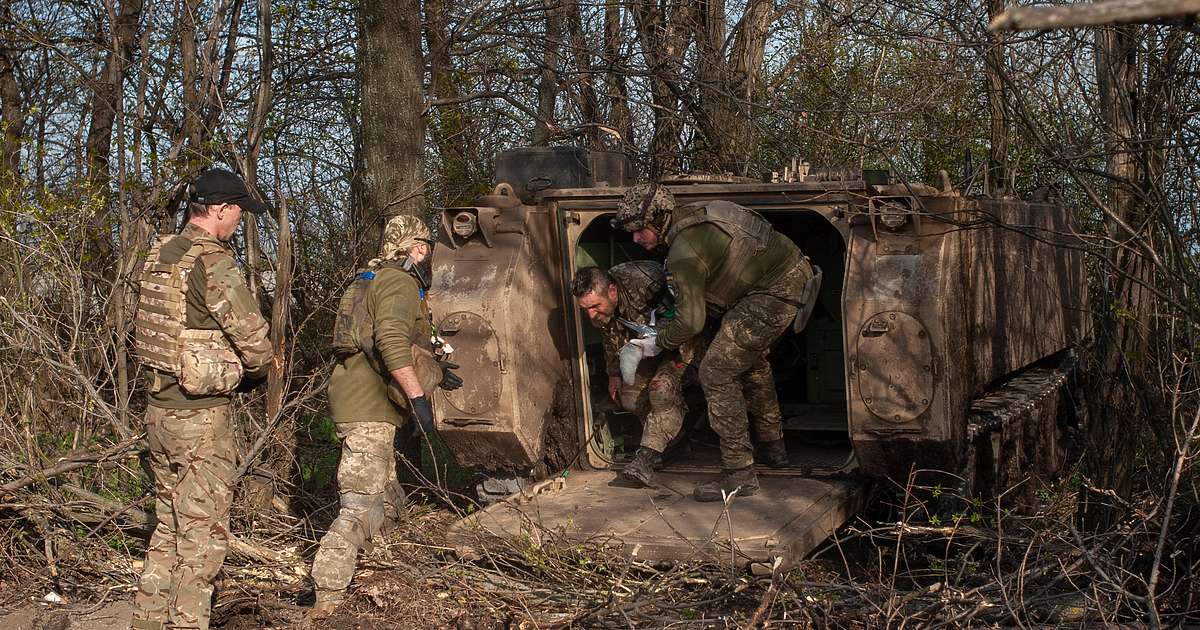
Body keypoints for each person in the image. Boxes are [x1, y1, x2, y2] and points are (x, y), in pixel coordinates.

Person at [130, 168, 274, 630]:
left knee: (168, 526)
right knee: (203, 536)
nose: (240, 220)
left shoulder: (160, 254)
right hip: (200, 420)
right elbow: (256, 345)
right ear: (218, 209)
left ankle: (147, 622)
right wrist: (249, 375)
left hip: (158, 411)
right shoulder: (214, 262)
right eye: (237, 211)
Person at [611, 182, 813, 502]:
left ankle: (740, 473)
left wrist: (659, 341)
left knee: (715, 371)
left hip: (775, 292)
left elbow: (691, 322)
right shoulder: (694, 215)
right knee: (748, 362)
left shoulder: (683, 253)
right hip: (791, 275)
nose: (636, 238)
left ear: (660, 218)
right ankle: (774, 450)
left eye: (640, 230)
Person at [310, 214, 461, 617]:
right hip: (369, 408)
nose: (431, 256)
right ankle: (327, 597)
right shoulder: (399, 282)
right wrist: (419, 399)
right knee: (359, 506)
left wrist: (435, 370)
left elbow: (389, 339)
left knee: (389, 498)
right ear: (418, 249)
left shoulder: (372, 279)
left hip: (362, 402)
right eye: (429, 248)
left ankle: (377, 577)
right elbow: (392, 340)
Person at [570, 263, 704, 487]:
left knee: (661, 389)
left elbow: (685, 319)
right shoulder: (599, 309)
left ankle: (645, 460)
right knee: (631, 397)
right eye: (585, 309)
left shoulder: (646, 283)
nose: (591, 314)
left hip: (683, 343)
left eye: (594, 306)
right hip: (646, 350)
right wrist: (614, 373)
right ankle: (677, 445)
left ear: (612, 291)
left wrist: (657, 342)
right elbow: (610, 336)